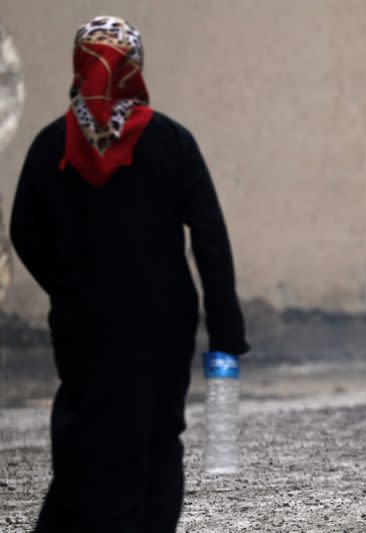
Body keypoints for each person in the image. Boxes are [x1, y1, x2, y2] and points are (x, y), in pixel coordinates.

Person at [10, 16, 249, 532]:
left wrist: (70, 286)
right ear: (135, 70)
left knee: (85, 432)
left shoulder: (51, 147)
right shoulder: (170, 142)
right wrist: (225, 327)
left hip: (84, 326)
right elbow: (210, 237)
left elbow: (23, 232)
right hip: (162, 325)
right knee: (160, 436)